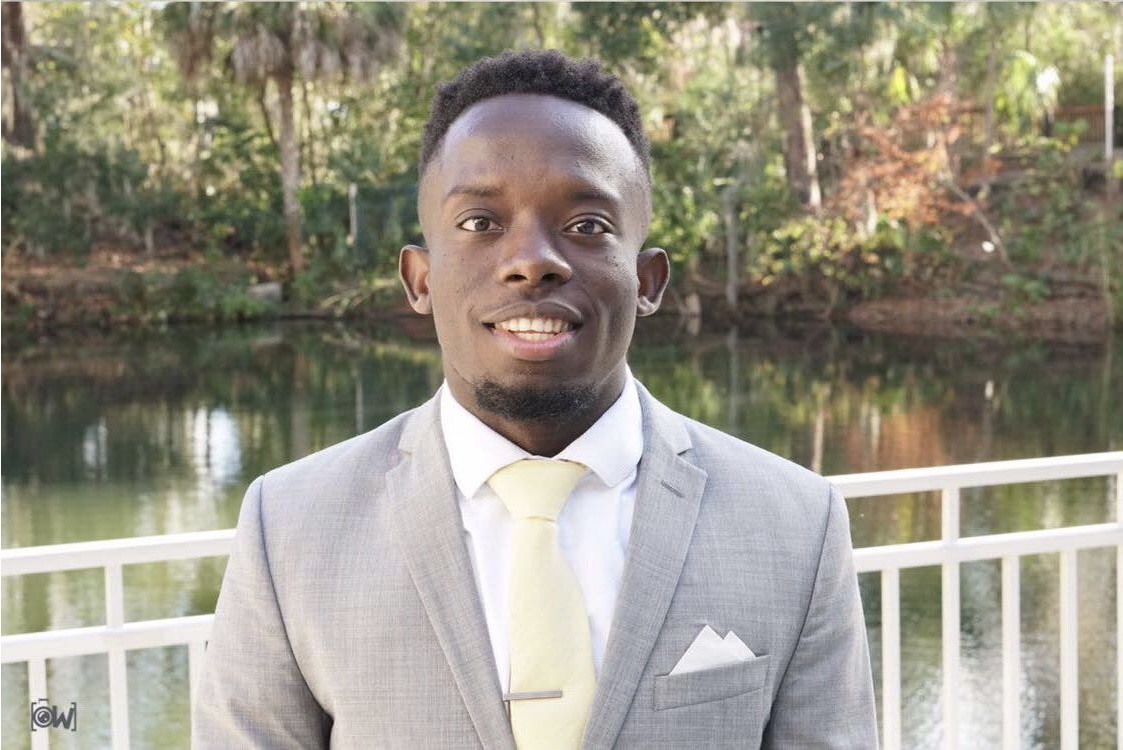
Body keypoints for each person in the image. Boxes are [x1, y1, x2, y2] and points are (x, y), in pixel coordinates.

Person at [193, 49, 878, 750]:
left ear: (646, 281)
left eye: (586, 226)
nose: (531, 260)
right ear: (419, 278)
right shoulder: (290, 527)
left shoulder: (796, 522)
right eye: (479, 222)